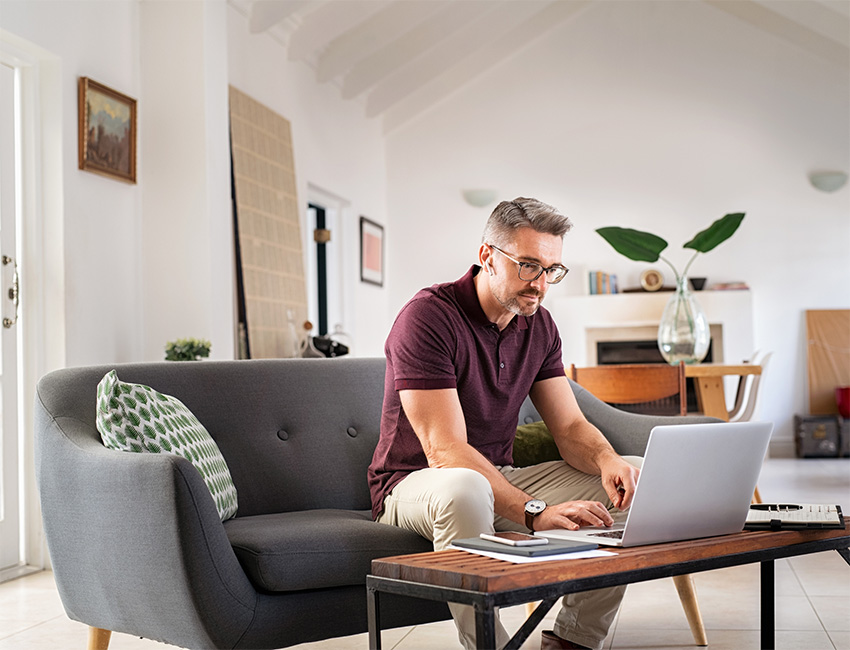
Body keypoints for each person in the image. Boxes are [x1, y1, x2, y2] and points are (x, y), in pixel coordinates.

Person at [367, 197, 641, 650]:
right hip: (414, 483)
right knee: (464, 487)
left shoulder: (540, 326)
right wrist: (534, 512)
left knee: (631, 477)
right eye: (528, 266)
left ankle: (573, 641)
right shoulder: (428, 319)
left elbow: (570, 429)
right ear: (487, 257)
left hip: (500, 477)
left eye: (552, 270)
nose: (540, 284)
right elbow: (445, 451)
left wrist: (608, 459)